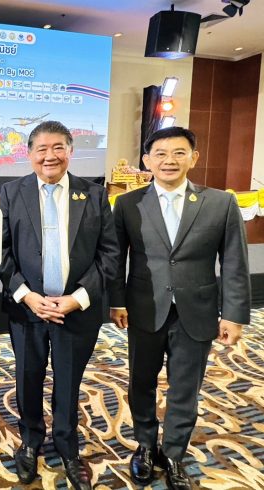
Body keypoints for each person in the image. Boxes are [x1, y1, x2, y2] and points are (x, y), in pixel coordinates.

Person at [109, 126, 250, 490]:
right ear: (147, 160)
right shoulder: (128, 204)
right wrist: (116, 301)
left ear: (193, 158)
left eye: (178, 153)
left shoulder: (220, 203)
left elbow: (234, 262)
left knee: (185, 388)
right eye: (160, 153)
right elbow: (116, 259)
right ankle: (144, 446)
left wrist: (233, 314)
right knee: (141, 382)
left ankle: (173, 454)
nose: (169, 160)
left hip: (197, 311)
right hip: (143, 309)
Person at [0, 121, 119, 489]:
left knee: (68, 382)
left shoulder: (94, 194)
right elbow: (2, 252)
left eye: (58, 148)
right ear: (29, 154)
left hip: (75, 311)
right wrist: (26, 295)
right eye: (42, 149)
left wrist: (76, 299)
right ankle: (30, 441)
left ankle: (68, 447)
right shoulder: (11, 192)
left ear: (70, 151)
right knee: (27, 378)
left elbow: (109, 254)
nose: (50, 156)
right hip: (27, 309)